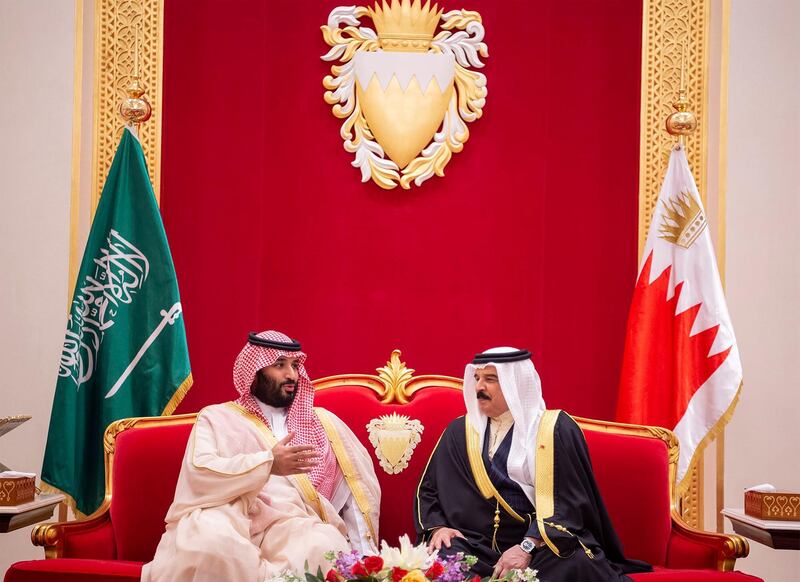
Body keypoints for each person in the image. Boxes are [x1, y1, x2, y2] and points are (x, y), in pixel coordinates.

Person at [143, 330, 380, 582]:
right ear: (255, 372)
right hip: (230, 516)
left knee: (325, 545)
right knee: (208, 544)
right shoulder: (217, 417)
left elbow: (356, 492)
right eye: (279, 365)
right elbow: (201, 472)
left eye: (295, 365)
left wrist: (364, 557)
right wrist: (268, 464)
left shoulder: (324, 424)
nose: (291, 375)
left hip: (291, 523)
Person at [414, 346, 651, 580]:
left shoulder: (554, 429)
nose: (479, 387)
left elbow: (569, 503)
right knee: (442, 553)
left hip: (539, 544)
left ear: (516, 383)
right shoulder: (460, 431)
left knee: (575, 561)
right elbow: (429, 490)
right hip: (478, 545)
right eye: (476, 378)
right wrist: (437, 527)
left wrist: (527, 546)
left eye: (490, 379)